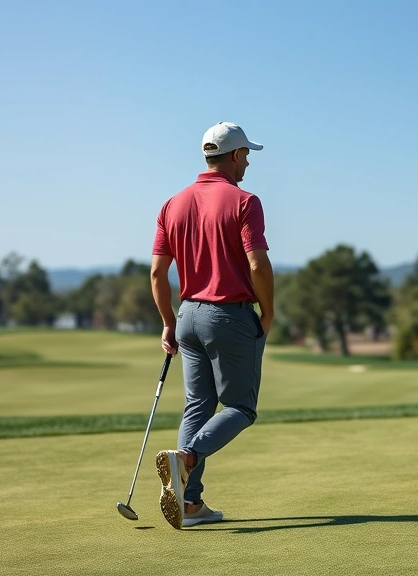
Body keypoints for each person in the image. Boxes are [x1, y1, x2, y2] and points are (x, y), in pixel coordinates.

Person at [149, 121, 275, 529]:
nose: (248, 163)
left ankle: (190, 504)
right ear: (235, 155)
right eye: (247, 156)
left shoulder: (173, 203)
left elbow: (156, 274)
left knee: (198, 405)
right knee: (240, 406)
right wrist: (268, 312)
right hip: (229, 316)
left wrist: (168, 322)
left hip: (187, 315)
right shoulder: (245, 201)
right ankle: (186, 459)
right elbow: (257, 263)